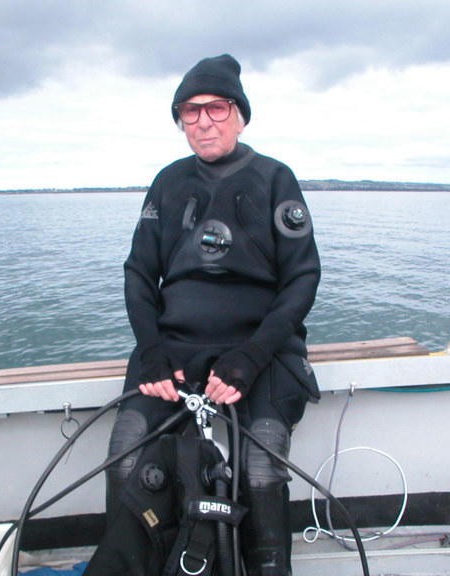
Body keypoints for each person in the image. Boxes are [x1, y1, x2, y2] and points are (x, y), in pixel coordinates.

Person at [106, 54, 320, 576]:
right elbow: (138, 274)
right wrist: (151, 350)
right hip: (174, 351)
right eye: (189, 111)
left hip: (262, 351)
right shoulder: (167, 181)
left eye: (217, 108)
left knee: (263, 462)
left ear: (240, 115)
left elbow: (302, 278)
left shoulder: (275, 178)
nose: (203, 121)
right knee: (127, 450)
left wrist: (250, 356)